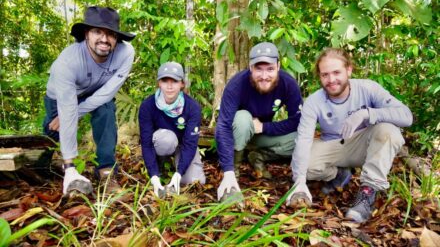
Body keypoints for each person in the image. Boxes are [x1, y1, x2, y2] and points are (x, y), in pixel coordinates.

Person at [286, 48, 413, 222]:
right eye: (325, 75)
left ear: (349, 70)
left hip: (365, 144)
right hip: (334, 145)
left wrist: (367, 114)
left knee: (388, 131)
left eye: (336, 72)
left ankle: (367, 194)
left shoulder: (368, 88)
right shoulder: (314, 101)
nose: (331, 80)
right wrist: (299, 182)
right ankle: (339, 174)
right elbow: (304, 139)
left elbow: (406, 116)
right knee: (300, 164)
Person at [43, 6, 136, 195]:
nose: (104, 39)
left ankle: (106, 171)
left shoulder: (125, 53)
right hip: (61, 96)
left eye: (110, 34)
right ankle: (55, 167)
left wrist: (76, 113)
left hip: (97, 92)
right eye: (97, 32)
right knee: (51, 131)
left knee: (106, 111)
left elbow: (108, 93)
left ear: (117, 38)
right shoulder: (67, 63)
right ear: (86, 34)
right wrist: (70, 166)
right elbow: (67, 110)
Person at [216, 42, 303, 201]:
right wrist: (227, 170)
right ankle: (232, 174)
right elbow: (223, 125)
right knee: (242, 118)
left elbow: (298, 120)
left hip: (261, 134)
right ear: (250, 68)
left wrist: (264, 127)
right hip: (238, 134)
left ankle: (259, 156)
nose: (264, 76)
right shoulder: (237, 84)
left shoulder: (288, 84)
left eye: (270, 69)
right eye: (259, 69)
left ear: (278, 66)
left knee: (300, 139)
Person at [139, 62, 206, 197]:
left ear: (182, 84)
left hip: (183, 145)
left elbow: (190, 143)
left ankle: (176, 167)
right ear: (159, 83)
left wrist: (178, 174)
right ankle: (160, 166)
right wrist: (154, 177)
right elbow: (146, 144)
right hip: (162, 143)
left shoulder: (192, 107)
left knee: (195, 181)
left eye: (174, 81)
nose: (169, 86)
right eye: (165, 80)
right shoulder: (147, 106)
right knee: (167, 139)